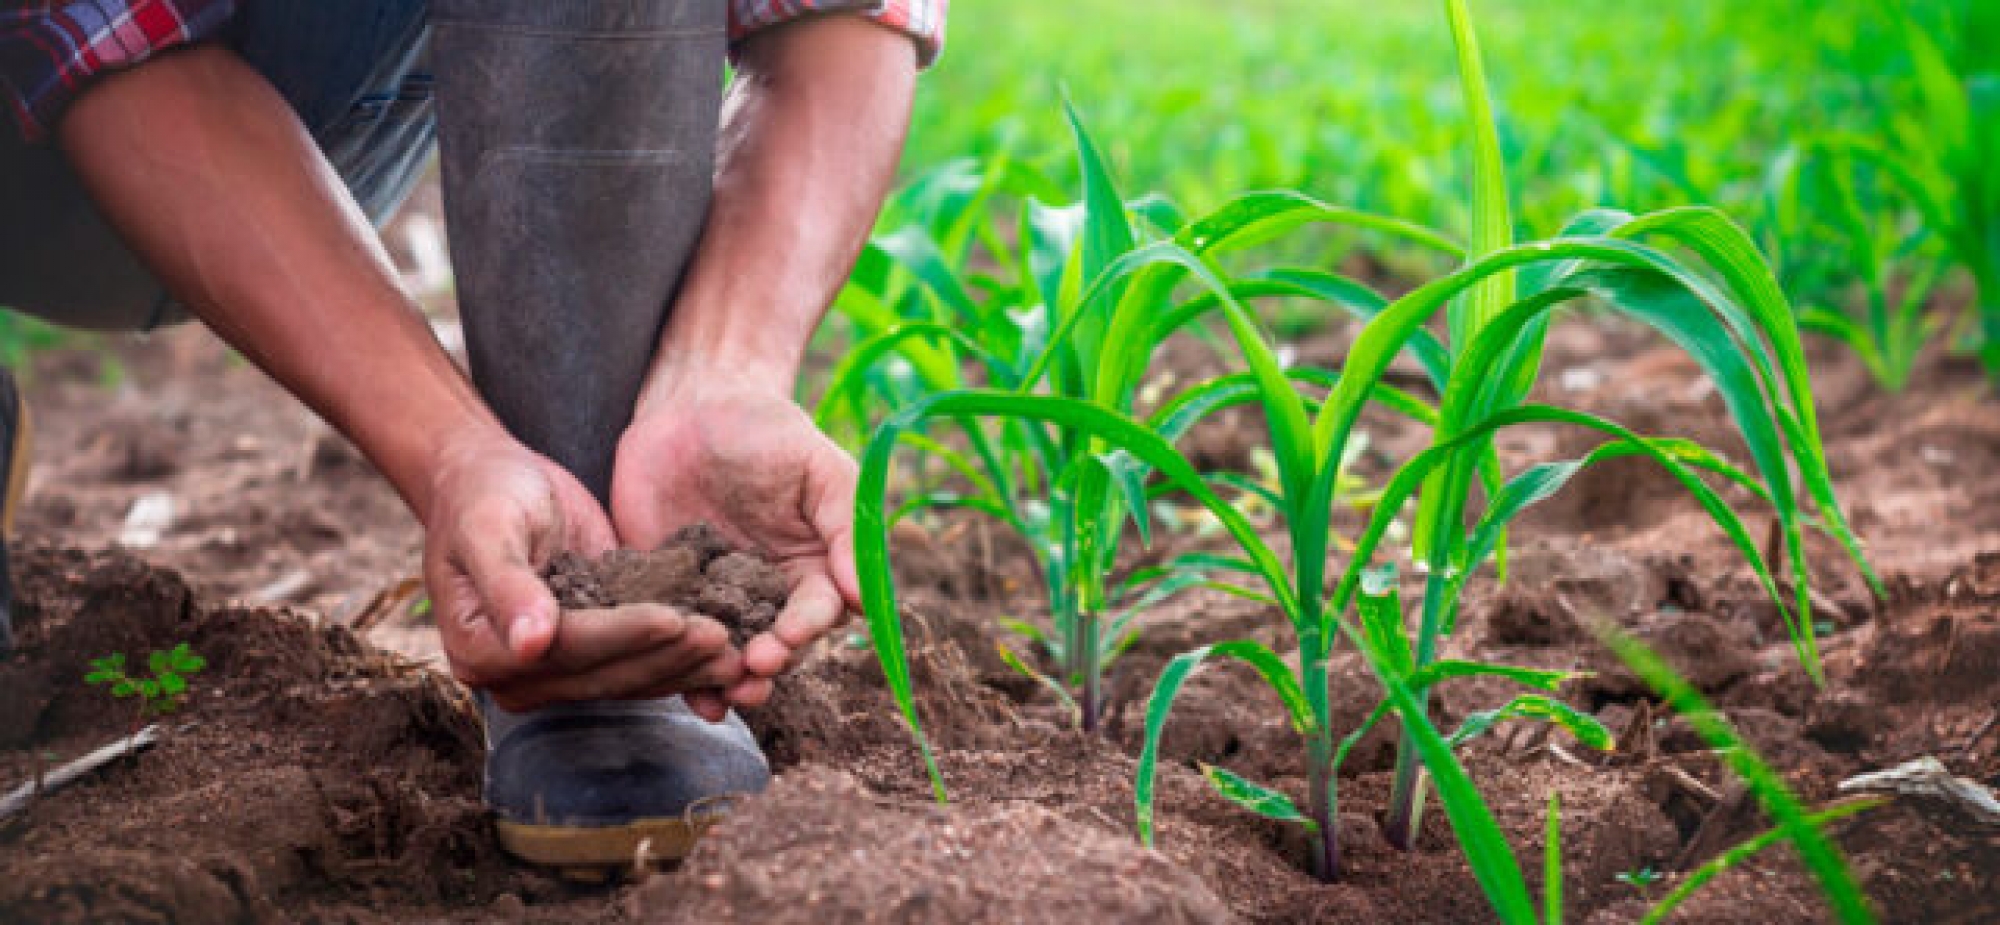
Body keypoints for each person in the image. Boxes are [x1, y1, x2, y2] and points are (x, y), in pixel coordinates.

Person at [0, 0, 942, 870]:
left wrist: (725, 367)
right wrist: (445, 448)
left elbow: (838, 13)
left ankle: (586, 570)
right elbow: (92, 29)